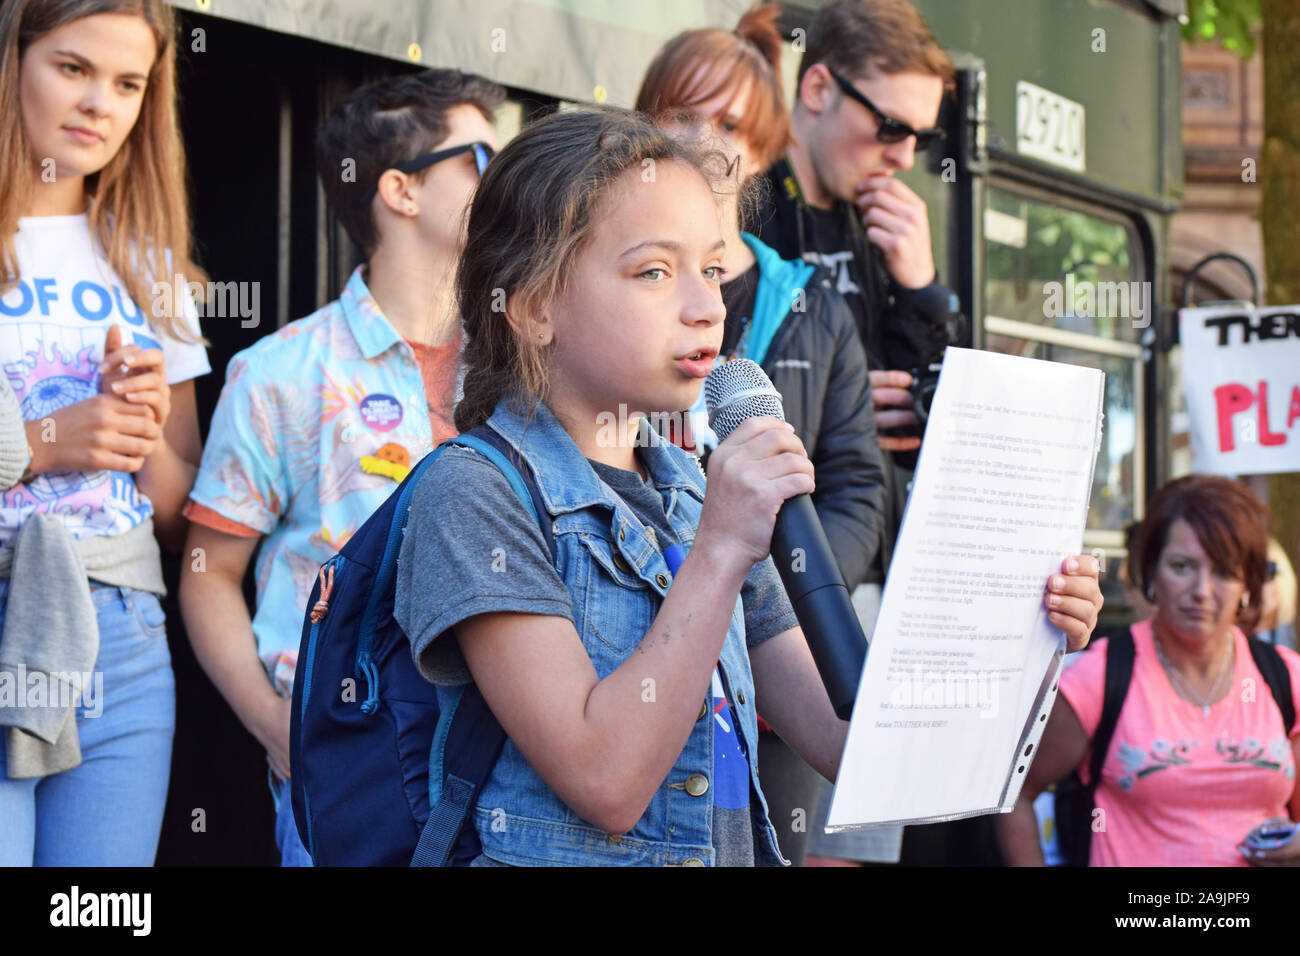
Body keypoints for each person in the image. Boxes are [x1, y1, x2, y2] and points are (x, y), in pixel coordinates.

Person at [392, 106, 1103, 866]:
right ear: (533, 307)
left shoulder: (694, 491)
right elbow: (605, 777)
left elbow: (854, 749)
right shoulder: (473, 493)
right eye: (655, 272)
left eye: (712, 268)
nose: (707, 307)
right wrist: (724, 545)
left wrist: (1018, 632)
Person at [178, 69, 503, 866]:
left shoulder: (523, 362)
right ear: (400, 190)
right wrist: (275, 726)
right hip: (346, 759)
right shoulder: (281, 370)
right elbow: (207, 571)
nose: (505, 176)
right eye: (482, 157)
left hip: (508, 749)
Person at [634, 3, 885, 866]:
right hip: (646, 637)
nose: (705, 137)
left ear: (769, 147)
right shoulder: (615, 309)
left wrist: (792, 585)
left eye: (731, 122)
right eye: (681, 112)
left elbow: (859, 485)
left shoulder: (816, 307)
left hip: (788, 634)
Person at [755, 0, 966, 864]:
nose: (905, 155)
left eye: (921, 137)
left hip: (879, 567)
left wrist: (922, 292)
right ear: (816, 87)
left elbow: (952, 413)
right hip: (771, 574)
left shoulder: (899, 227)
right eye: (890, 127)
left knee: (860, 838)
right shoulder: (752, 205)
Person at [0, 0, 209, 866]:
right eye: (73, 68)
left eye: (129, 83)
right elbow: (52, 443)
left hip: (124, 633)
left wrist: (146, 424)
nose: (100, 105)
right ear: (13, 59)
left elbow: (176, 512)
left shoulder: (150, 265)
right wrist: (45, 440)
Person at [998, 476, 1300, 866]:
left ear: (1247, 582)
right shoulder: (1102, 675)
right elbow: (1016, 794)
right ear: (1151, 573)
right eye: (1182, 566)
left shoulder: (1285, 676)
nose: (1202, 590)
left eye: (1224, 571)